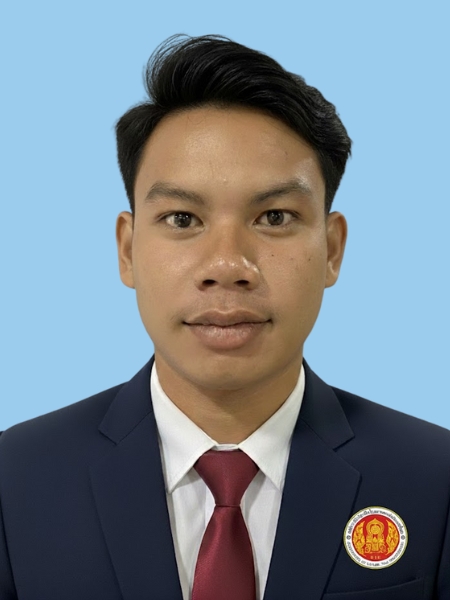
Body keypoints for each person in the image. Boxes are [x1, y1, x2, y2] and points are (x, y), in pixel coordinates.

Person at [0, 33, 448, 600]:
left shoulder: (435, 478)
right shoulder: (14, 480)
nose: (228, 266)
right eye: (182, 219)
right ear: (127, 249)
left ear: (332, 249)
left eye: (275, 216)